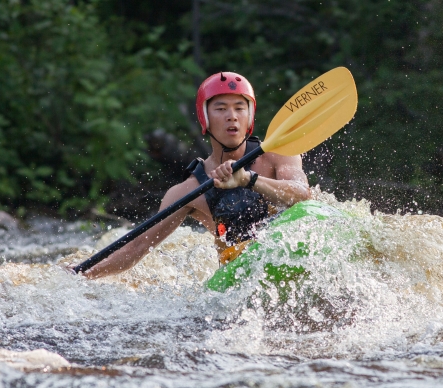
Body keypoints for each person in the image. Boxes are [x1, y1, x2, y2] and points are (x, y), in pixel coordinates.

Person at [82, 72, 311, 279]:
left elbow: (302, 195)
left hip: (293, 260)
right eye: (221, 109)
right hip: (244, 277)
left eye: (240, 108)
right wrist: (84, 274)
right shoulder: (188, 191)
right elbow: (137, 247)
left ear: (249, 117)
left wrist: (248, 179)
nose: (232, 116)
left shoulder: (278, 154)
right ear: (205, 119)